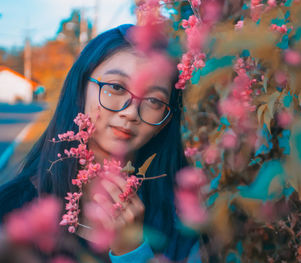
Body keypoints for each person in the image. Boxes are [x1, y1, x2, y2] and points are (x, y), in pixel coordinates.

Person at [0, 24, 201, 262]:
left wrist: (132, 252)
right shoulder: (12, 212)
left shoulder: (184, 220)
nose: (131, 112)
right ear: (80, 89)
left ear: (165, 122)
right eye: (116, 87)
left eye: (154, 100)